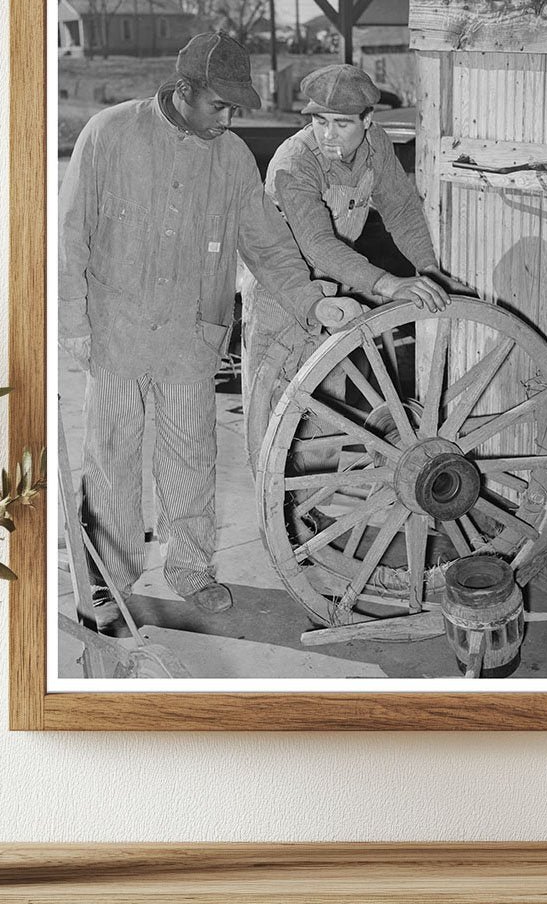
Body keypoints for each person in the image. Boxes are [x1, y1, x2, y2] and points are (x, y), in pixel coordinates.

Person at [58, 33, 361, 623]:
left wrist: (310, 301)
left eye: (234, 107)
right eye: (218, 105)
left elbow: (267, 246)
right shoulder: (109, 134)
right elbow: (71, 235)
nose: (228, 118)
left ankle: (191, 569)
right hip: (114, 333)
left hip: (191, 339)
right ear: (182, 90)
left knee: (191, 459)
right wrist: (73, 321)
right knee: (111, 458)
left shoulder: (233, 159)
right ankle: (109, 575)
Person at [242, 63, 461, 472]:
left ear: (367, 120)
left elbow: (401, 209)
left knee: (327, 408)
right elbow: (317, 244)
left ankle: (310, 513)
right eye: (320, 121)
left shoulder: (376, 145)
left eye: (341, 124)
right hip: (283, 294)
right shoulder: (294, 162)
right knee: (276, 414)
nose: (328, 135)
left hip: (336, 288)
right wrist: (388, 283)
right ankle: (273, 515)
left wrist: (428, 269)